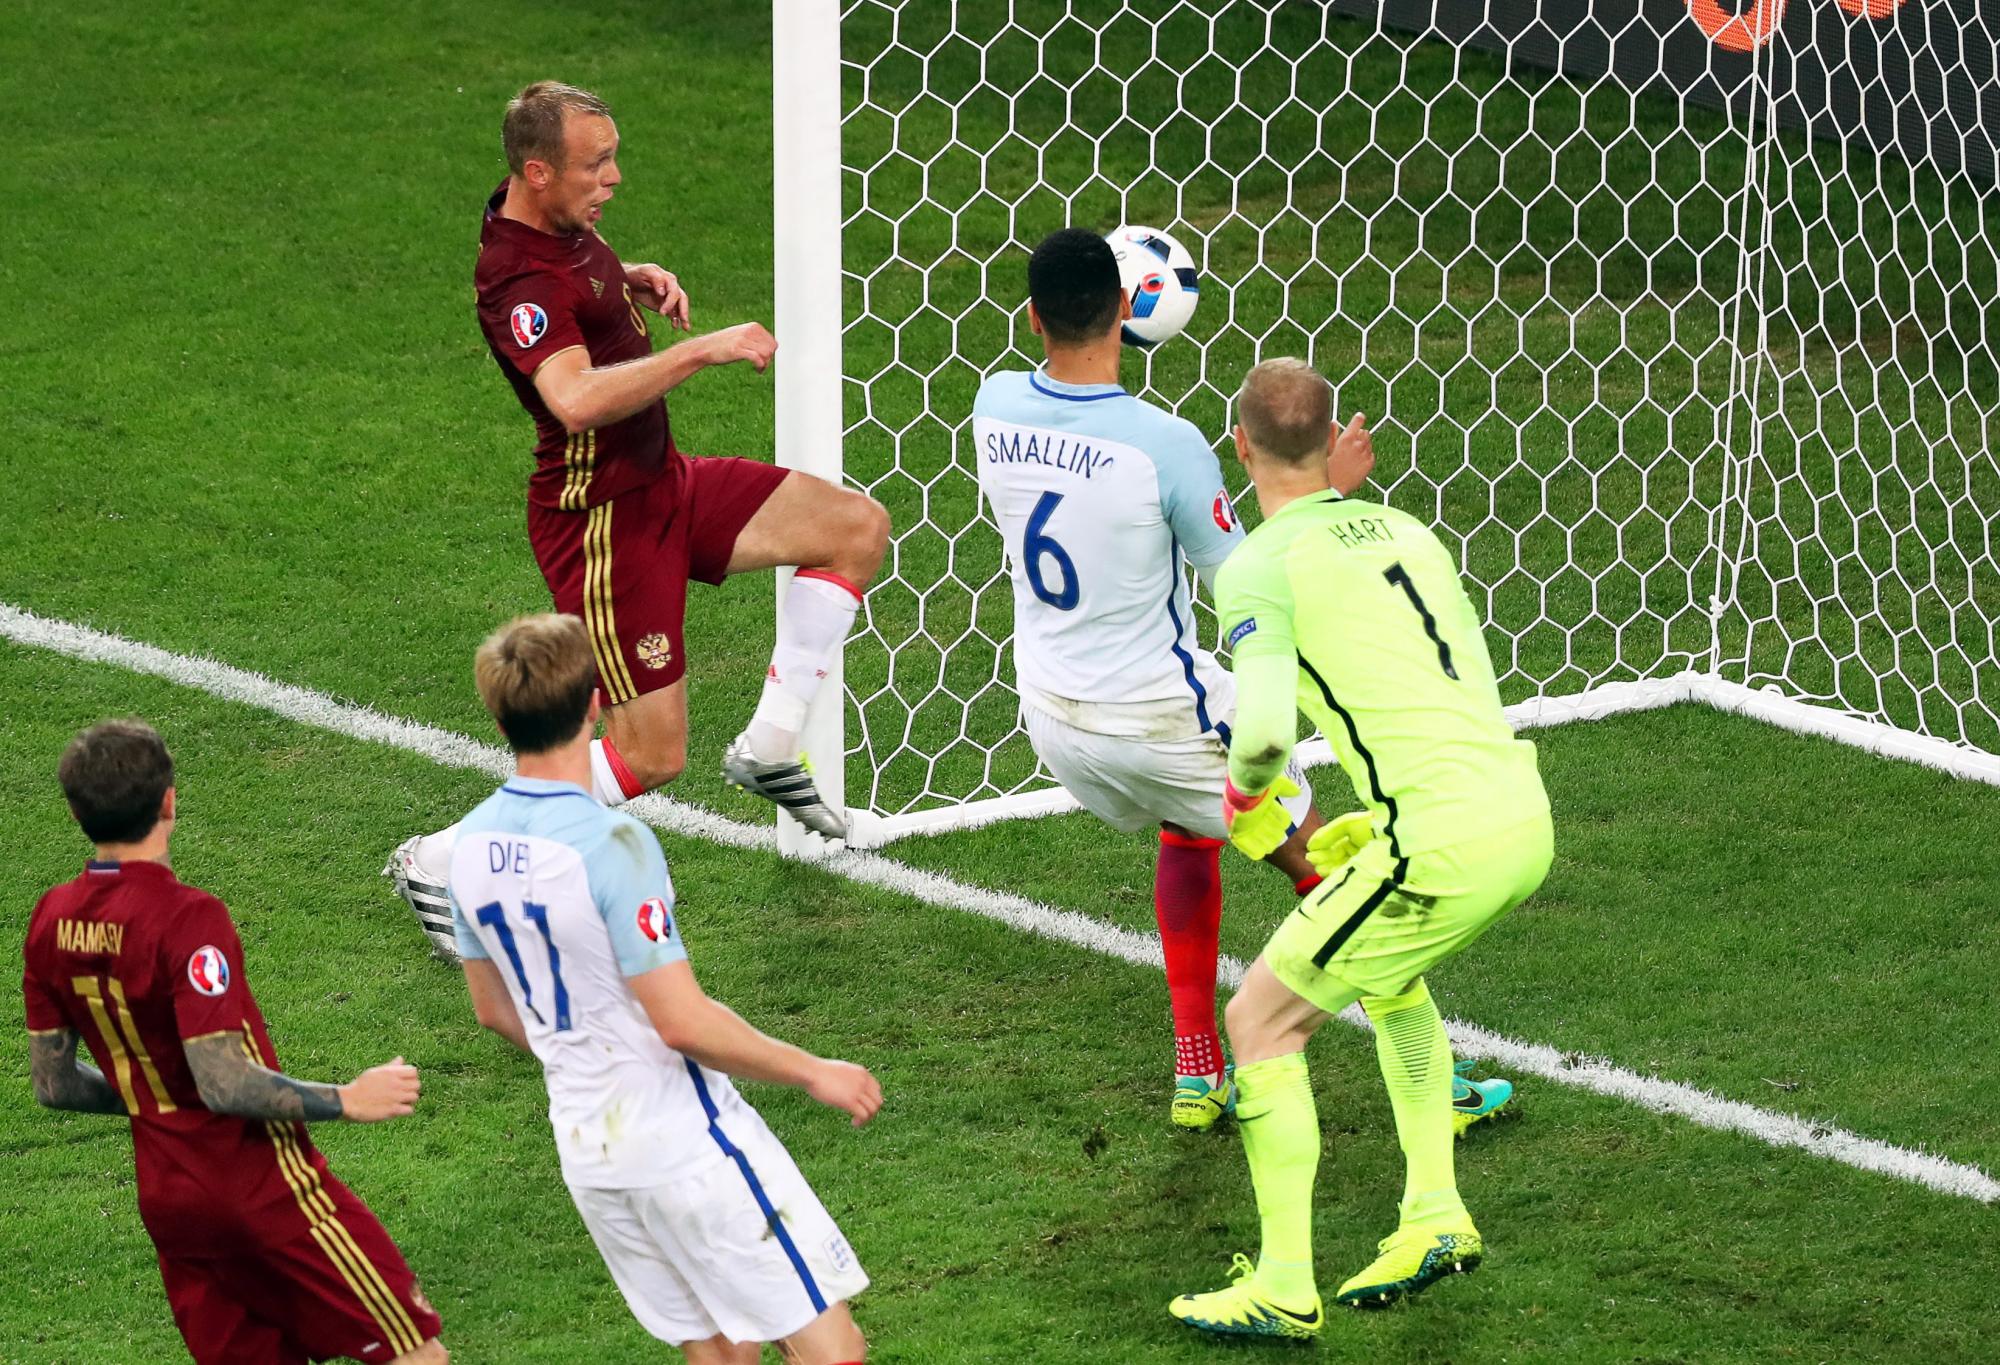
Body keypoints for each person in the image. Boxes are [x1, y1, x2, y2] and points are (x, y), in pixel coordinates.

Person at [970, 229, 1513, 1136]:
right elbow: (1249, 578)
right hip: (1162, 717)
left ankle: (1196, 1070)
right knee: (1345, 881)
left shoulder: (991, 405)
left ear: (1031, 318)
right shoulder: (1167, 444)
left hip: (1053, 723)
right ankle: (1441, 1087)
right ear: (1131, 312)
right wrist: (1321, 488)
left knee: (1193, 828)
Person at [389, 81, 888, 932]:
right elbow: (575, 398)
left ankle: (772, 742)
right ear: (538, 171)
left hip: (665, 483)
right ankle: (446, 857)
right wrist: (702, 350)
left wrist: (626, 276)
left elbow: (573, 280)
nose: (614, 176)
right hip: (602, 523)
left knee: (853, 528)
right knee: (652, 755)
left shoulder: (553, 223)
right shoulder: (517, 279)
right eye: (598, 163)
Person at [1167, 359, 1555, 1339]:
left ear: (1239, 446)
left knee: (1258, 1021)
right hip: (1516, 813)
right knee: (1387, 981)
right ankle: (1434, 1216)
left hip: (1434, 849)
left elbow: (1257, 733)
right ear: (1334, 437)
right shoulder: (1408, 532)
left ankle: (1284, 1285)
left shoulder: (1255, 567)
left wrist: (1244, 799)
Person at [447, 613, 878, 1365]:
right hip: (682, 1141)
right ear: (596, 705)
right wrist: (816, 1069)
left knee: (722, 1352)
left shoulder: (467, 846)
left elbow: (492, 1009)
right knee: (830, 1349)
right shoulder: (613, 844)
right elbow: (681, 1022)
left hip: (589, 1148)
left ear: (497, 717)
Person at [23, 720, 445, 1364]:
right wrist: (348, 1098)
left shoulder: (52, 918)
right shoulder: (188, 917)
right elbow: (222, 1081)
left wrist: (154, 1094)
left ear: (77, 812)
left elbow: (55, 1084)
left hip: (170, 1205)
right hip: (262, 1191)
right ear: (169, 800)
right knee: (414, 1352)